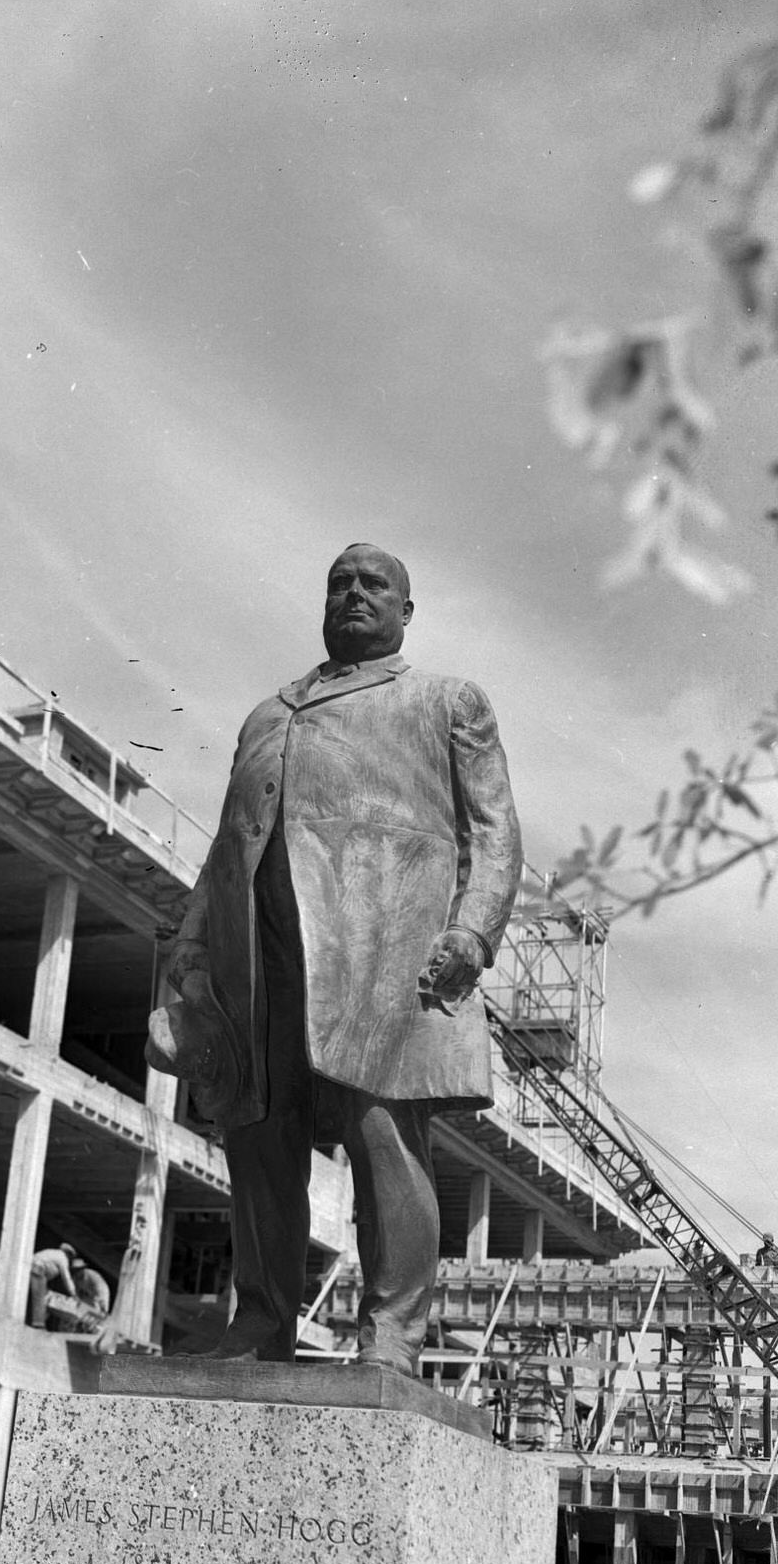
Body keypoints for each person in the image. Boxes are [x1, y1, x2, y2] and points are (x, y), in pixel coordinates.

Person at [150, 543, 521, 1374]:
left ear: (405, 610)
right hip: (264, 954)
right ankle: (262, 1320)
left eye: (373, 585)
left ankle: (391, 1332)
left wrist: (473, 929)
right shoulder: (266, 715)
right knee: (257, 1134)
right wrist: (192, 948)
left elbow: (495, 832)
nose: (354, 594)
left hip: (387, 952)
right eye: (339, 583)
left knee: (381, 1131)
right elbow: (226, 849)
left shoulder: (444, 699)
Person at [29, 1243, 78, 1328]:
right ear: (69, 1254)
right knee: (41, 1298)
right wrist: (73, 1293)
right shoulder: (63, 1258)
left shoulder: (52, 1252)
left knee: (42, 1296)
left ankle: (39, 1321)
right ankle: (38, 1324)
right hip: (39, 1269)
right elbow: (66, 1277)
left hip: (32, 1268)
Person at [71, 1257, 112, 1321]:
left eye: (78, 1269)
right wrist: (77, 1297)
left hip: (101, 1292)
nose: (77, 1272)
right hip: (89, 1294)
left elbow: (100, 1290)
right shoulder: (75, 1278)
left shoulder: (93, 1276)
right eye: (75, 1270)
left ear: (83, 1269)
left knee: (100, 1312)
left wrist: (102, 1304)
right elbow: (75, 1291)